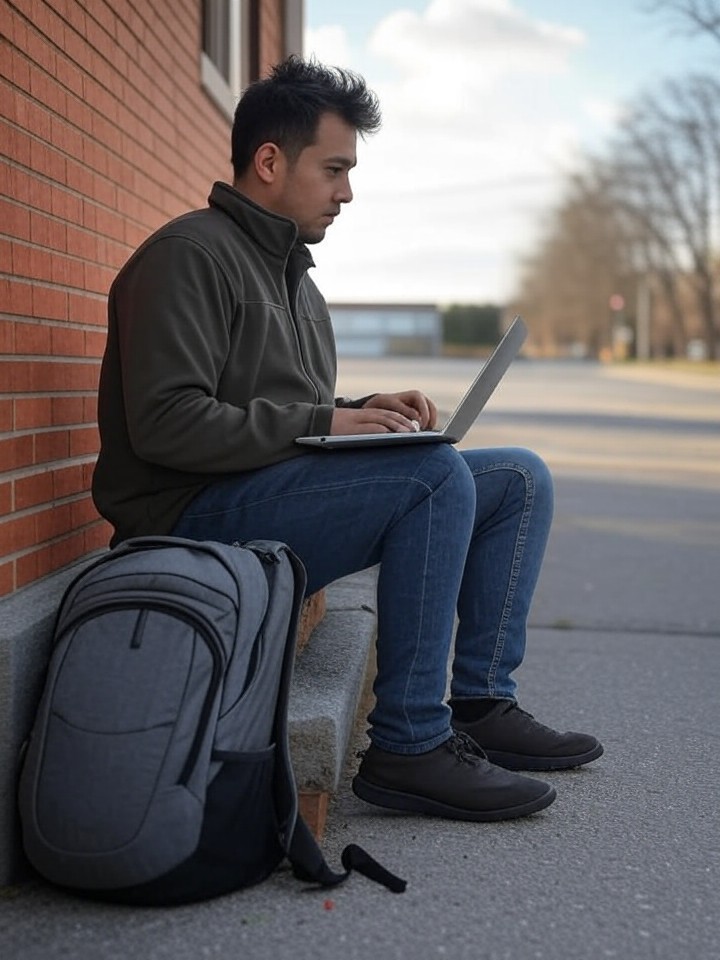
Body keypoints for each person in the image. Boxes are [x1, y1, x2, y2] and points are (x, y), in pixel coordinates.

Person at [93, 56, 602, 824]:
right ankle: (408, 744)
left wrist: (363, 409)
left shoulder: (298, 282)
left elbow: (283, 408)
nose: (347, 191)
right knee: (431, 477)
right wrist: (326, 421)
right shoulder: (186, 257)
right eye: (334, 168)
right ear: (269, 162)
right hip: (188, 521)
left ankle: (482, 703)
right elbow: (167, 424)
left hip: (255, 497)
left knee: (518, 479)